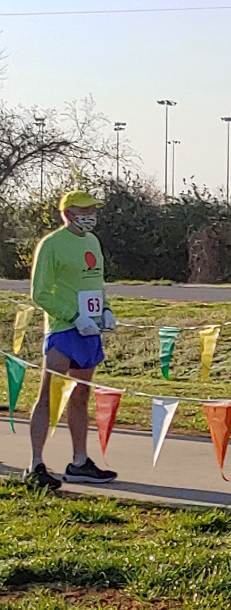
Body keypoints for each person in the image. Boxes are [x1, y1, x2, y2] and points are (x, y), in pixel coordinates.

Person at [23, 191, 118, 490]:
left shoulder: (93, 242)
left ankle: (79, 462)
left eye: (93, 209)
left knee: (80, 397)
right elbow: (40, 293)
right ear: (67, 212)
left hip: (90, 331)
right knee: (48, 395)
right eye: (83, 209)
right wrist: (72, 316)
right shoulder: (51, 245)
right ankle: (36, 464)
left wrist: (105, 309)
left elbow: (96, 282)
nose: (90, 213)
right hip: (64, 329)